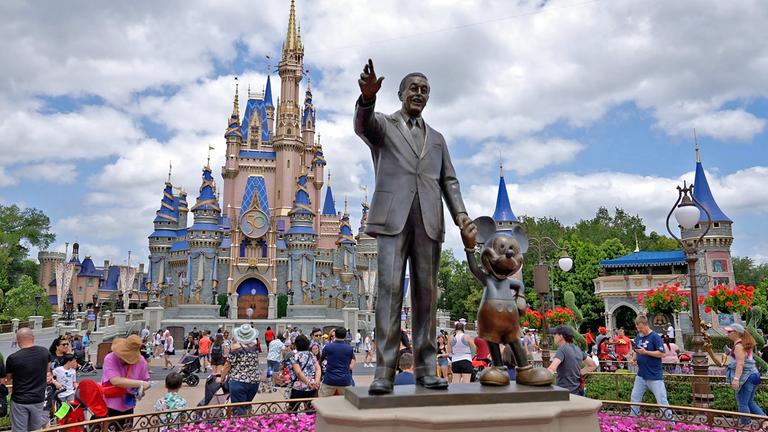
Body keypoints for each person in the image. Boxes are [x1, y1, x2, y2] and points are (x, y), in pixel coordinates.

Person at [355, 59, 475, 395]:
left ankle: (426, 368)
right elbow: (362, 126)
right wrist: (366, 99)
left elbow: (449, 180)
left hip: (429, 221)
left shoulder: (437, 138)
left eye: (424, 90)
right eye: (413, 88)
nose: (419, 94)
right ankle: (384, 371)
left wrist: (461, 217)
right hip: (393, 219)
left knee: (426, 296)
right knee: (390, 292)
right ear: (400, 93)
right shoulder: (383, 125)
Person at [5, 328, 50, 432]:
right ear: (33, 338)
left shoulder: (13, 358)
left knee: (19, 430)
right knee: (35, 429)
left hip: (19, 400)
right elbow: (47, 371)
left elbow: (8, 379)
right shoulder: (44, 352)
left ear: (17, 341)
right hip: (38, 399)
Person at [101, 334, 151, 425]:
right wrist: (140, 383)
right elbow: (115, 381)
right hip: (110, 403)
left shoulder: (141, 361)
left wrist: (140, 390)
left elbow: (145, 382)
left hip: (128, 404)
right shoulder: (110, 358)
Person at [724, 323, 766, 426]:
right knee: (750, 402)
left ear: (737, 333)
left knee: (742, 403)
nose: (727, 334)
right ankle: (765, 421)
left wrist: (736, 378)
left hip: (747, 376)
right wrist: (730, 352)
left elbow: (740, 363)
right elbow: (744, 358)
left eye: (730, 332)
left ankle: (746, 425)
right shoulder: (744, 343)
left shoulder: (739, 346)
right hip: (754, 375)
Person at [629, 316, 671, 419]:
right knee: (634, 398)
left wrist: (646, 352)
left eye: (641, 328)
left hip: (654, 376)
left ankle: (670, 424)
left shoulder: (655, 337)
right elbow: (637, 350)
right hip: (641, 375)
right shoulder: (639, 337)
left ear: (646, 325)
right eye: (638, 328)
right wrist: (633, 359)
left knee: (662, 401)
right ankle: (631, 421)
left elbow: (661, 353)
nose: (639, 330)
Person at [219, 324, 261, 414]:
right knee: (246, 406)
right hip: (254, 382)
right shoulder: (254, 347)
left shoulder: (235, 348)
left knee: (239, 410)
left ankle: (241, 426)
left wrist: (221, 378)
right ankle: (249, 424)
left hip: (238, 381)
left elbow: (228, 365)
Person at [546, 326, 596, 396]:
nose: (553, 336)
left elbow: (551, 368)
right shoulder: (577, 349)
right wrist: (579, 373)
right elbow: (593, 365)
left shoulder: (562, 350)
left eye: (555, 334)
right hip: (578, 392)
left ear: (561, 336)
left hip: (564, 392)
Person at [319, 327, 355, 397]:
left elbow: (321, 359)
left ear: (335, 335)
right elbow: (352, 361)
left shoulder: (328, 347)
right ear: (345, 336)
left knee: (323, 402)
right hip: (344, 380)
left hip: (329, 379)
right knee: (346, 402)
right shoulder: (349, 349)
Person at [288, 334, 321, 411]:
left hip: (298, 387)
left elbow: (298, 372)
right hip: (312, 387)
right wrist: (317, 381)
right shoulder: (311, 354)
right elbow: (318, 368)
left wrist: (307, 382)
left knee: (293, 410)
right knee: (311, 411)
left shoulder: (295, 356)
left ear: (296, 345)